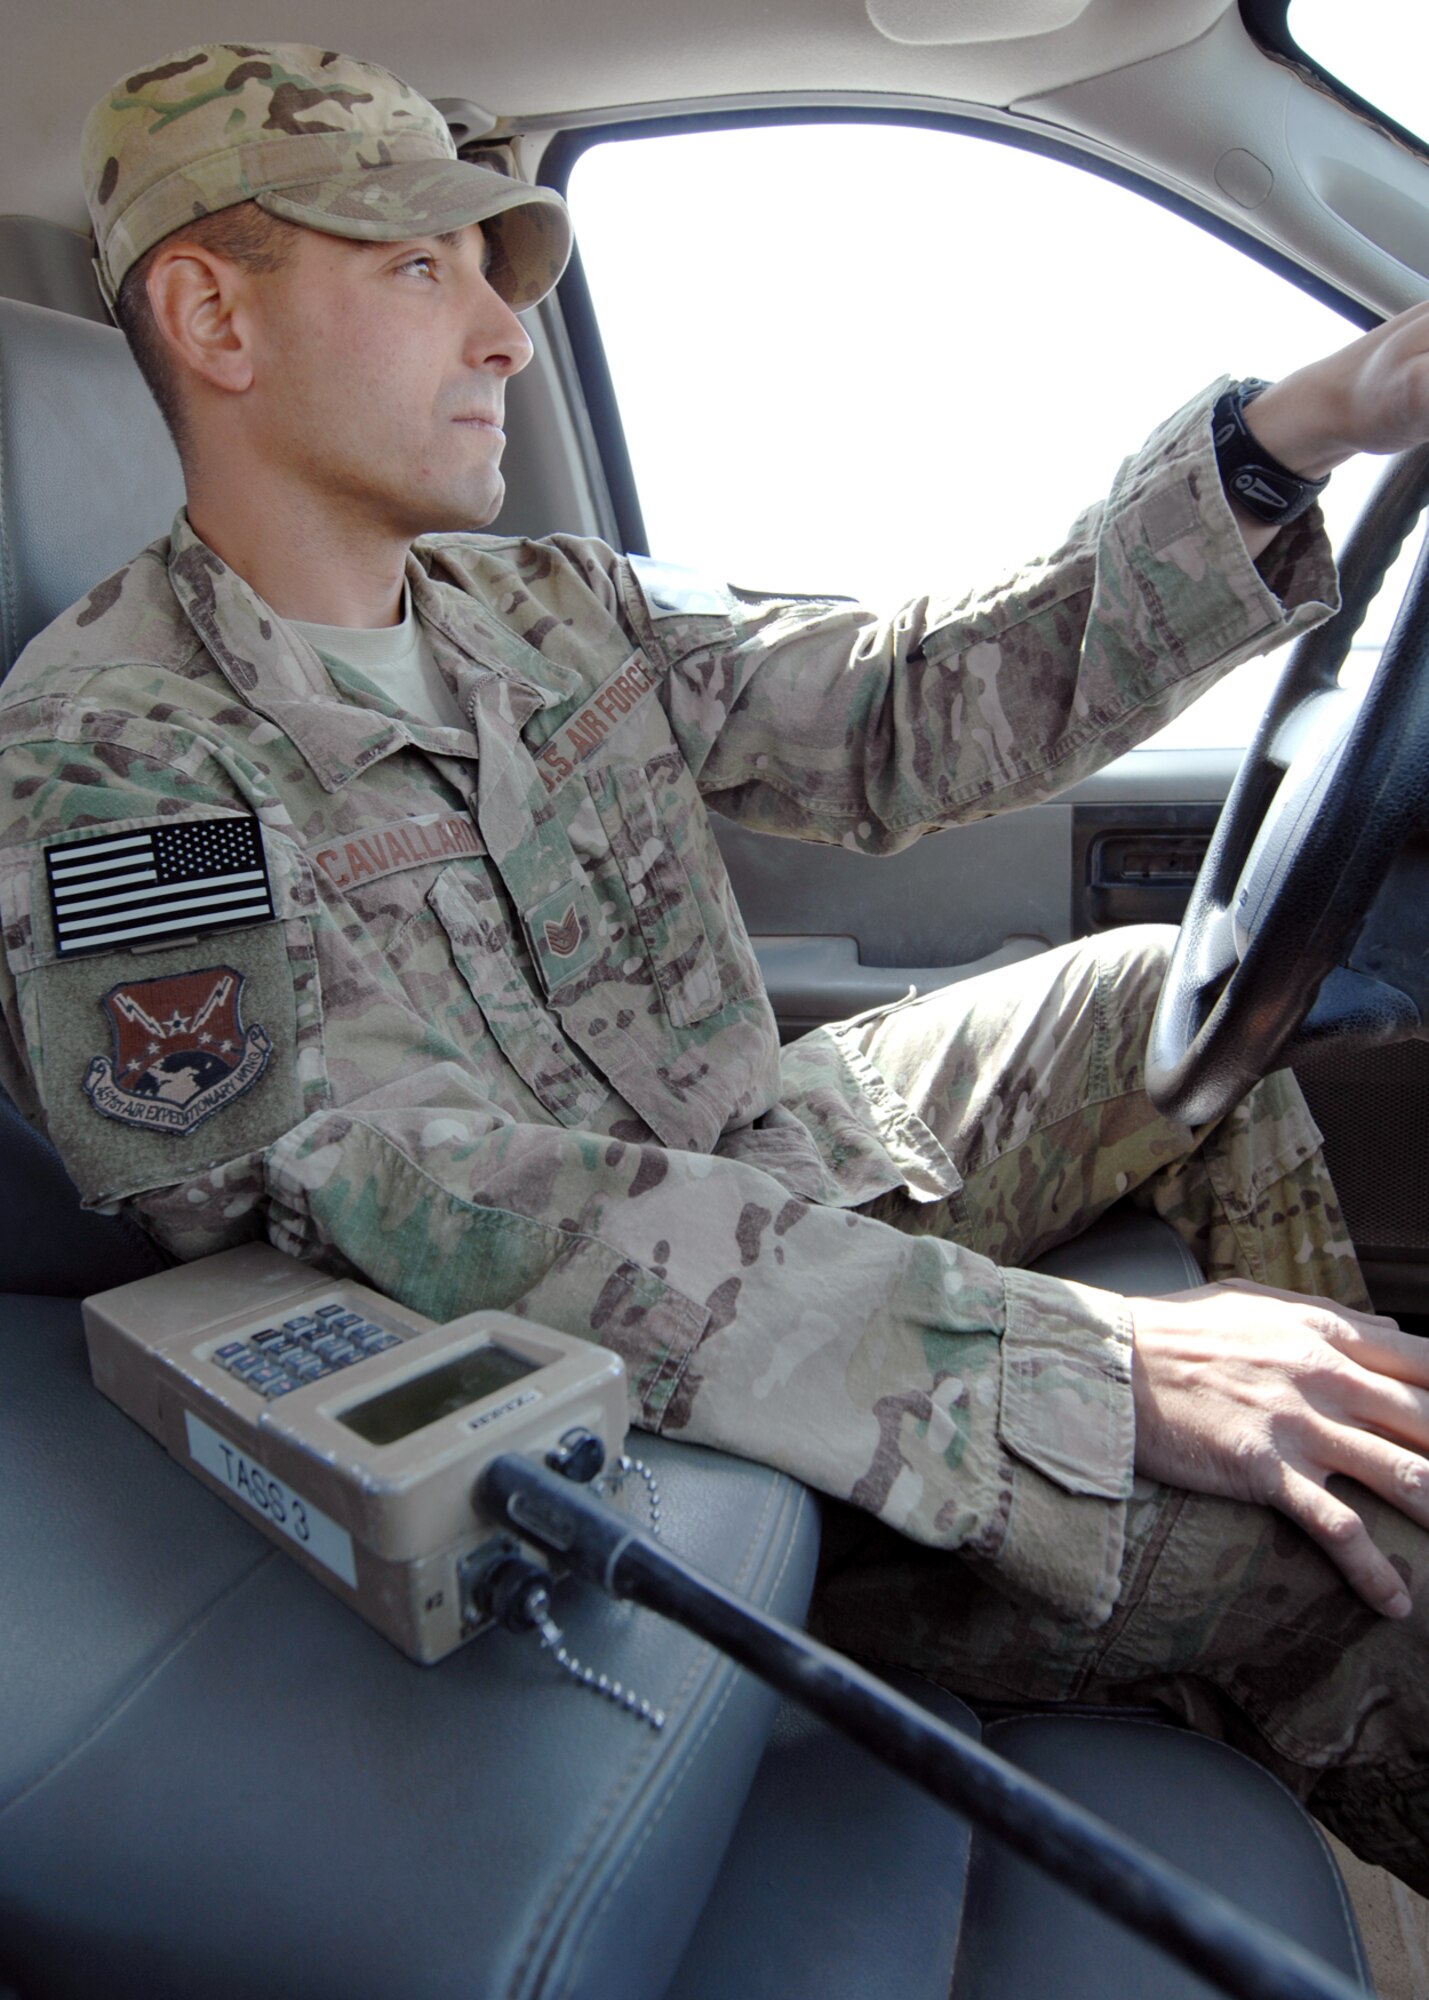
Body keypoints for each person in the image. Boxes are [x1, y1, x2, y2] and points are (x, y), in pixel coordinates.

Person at [3, 39, 1429, 1886]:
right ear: (213, 313)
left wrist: (1297, 427)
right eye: (419, 268)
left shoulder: (545, 606)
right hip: (636, 1410)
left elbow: (911, 708)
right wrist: (1078, 1364)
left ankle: (1334, 1475)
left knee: (1143, 998)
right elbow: (385, 1200)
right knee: (1357, 1561)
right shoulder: (116, 756)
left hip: (776, 1172)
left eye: (500, 276)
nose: (507, 333)